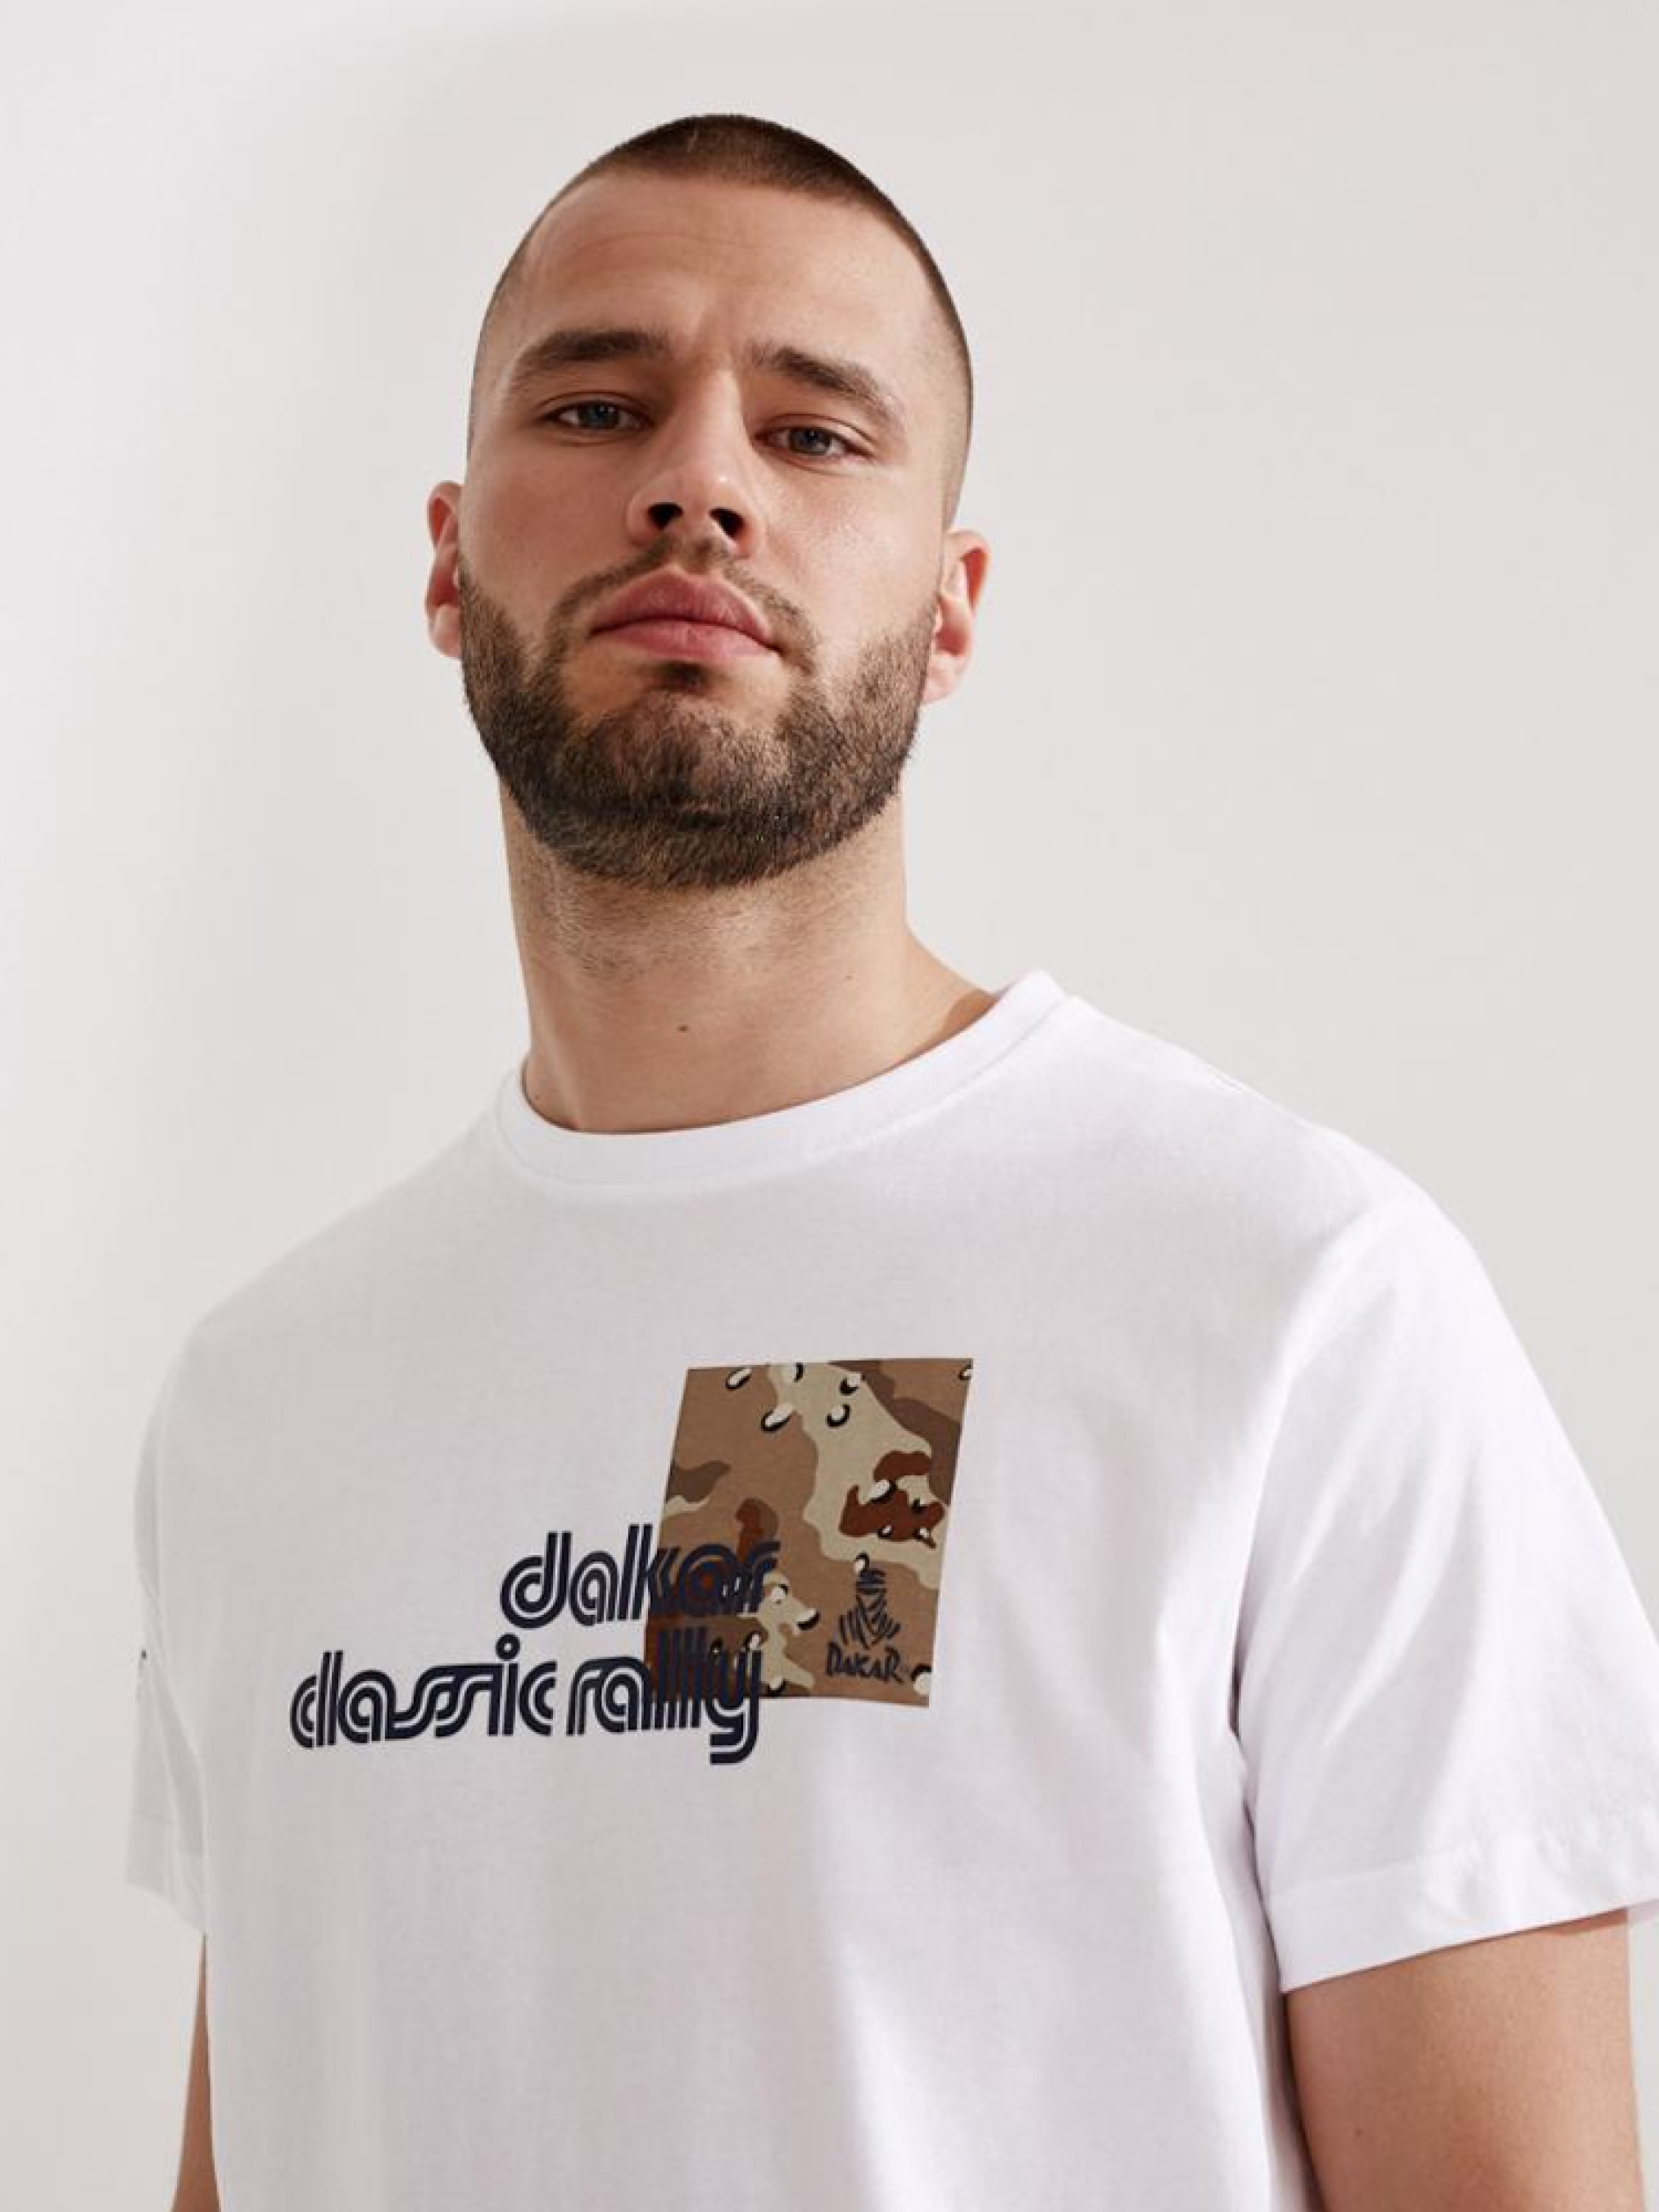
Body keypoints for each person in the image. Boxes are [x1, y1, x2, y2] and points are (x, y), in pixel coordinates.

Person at [125, 111, 1659, 2212]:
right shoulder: (268, 1402)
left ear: (948, 609)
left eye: (814, 434)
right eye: (597, 405)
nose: (698, 480)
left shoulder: (1284, 1302)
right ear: (446, 560)